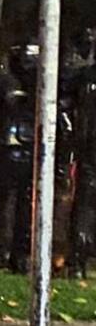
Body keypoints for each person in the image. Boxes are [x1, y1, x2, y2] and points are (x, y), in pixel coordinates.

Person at [0, 42, 40, 273]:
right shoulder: (39, 83)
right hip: (20, 151)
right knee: (18, 205)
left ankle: (4, 253)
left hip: (9, 151)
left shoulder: (4, 82)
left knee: (4, 205)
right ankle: (14, 254)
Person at [67, 31, 96, 278]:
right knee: (84, 206)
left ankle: (77, 263)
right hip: (88, 151)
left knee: (84, 206)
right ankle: (77, 261)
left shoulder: (84, 77)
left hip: (88, 151)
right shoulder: (84, 77)